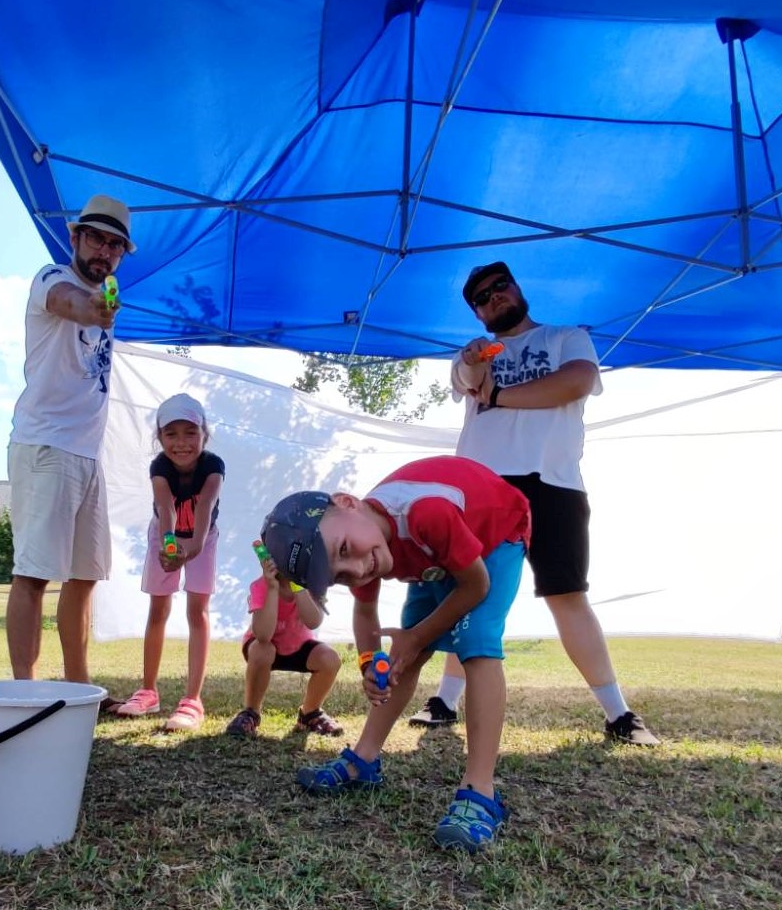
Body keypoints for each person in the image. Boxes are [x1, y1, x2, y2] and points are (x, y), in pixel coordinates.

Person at [411, 260, 659, 746]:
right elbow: (467, 378)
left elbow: (576, 382)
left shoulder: (567, 337)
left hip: (555, 483)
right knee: (471, 591)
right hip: (484, 486)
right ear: (478, 315)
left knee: (567, 596)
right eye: (481, 298)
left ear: (517, 287)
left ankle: (619, 714)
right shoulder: (471, 355)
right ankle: (444, 700)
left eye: (499, 286)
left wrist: (499, 393)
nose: (493, 297)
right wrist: (474, 362)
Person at [262, 456, 531, 853]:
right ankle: (364, 759)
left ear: (348, 502)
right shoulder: (365, 544)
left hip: (493, 539)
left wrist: (417, 636)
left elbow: (475, 586)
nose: (356, 569)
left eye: (346, 549)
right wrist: (370, 663)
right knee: (406, 653)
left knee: (477, 642)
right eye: (338, 575)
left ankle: (481, 793)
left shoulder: (425, 513)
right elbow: (365, 611)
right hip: (430, 560)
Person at [6, 193, 135, 685]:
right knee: (34, 574)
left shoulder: (106, 299)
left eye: (115, 245)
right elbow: (73, 304)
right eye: (97, 239)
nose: (105, 252)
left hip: (86, 454)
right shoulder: (50, 278)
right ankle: (25, 690)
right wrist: (96, 308)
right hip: (45, 447)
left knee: (84, 578)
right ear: (74, 237)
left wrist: (101, 309)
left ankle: (79, 688)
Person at [115, 394, 224, 731]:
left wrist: (191, 548)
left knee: (197, 611)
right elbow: (166, 508)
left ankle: (193, 699)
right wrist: (168, 546)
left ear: (204, 434)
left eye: (190, 432)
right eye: (171, 434)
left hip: (203, 537)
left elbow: (205, 506)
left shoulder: (213, 466)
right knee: (158, 610)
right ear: (159, 438)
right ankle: (148, 690)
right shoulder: (159, 467)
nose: (181, 443)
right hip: (164, 535)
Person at [225, 548, 344, 739]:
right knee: (262, 650)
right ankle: (250, 712)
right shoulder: (260, 586)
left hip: (298, 646)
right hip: (265, 646)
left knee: (330, 659)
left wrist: (298, 586)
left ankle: (310, 713)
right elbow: (263, 635)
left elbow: (313, 621)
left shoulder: (311, 586)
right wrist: (272, 588)